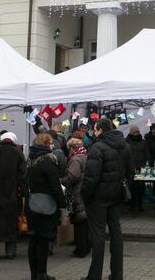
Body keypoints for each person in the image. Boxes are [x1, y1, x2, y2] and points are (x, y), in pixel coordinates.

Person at [81, 118, 131, 280]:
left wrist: (85, 196)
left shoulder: (97, 148)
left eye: (95, 130)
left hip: (99, 199)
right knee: (116, 234)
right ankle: (117, 274)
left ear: (101, 130)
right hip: (116, 196)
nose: (94, 133)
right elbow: (131, 173)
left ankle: (94, 276)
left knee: (98, 238)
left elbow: (91, 178)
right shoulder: (125, 146)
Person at [25, 133, 67, 280]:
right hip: (47, 206)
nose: (52, 145)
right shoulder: (48, 161)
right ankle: (41, 274)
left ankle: (34, 274)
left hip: (32, 205)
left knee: (34, 240)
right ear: (46, 144)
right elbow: (55, 187)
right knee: (43, 241)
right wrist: (63, 204)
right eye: (51, 143)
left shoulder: (30, 161)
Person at [0, 131, 26, 260]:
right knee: (10, 224)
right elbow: (22, 174)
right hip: (11, 193)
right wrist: (23, 192)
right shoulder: (18, 152)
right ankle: (10, 252)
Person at [62, 137, 89, 258]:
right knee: (85, 222)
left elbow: (73, 176)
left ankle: (80, 250)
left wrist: (61, 181)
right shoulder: (85, 156)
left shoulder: (75, 159)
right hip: (85, 191)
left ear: (72, 148)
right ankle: (87, 247)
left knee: (79, 223)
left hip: (77, 193)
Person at [125, 126, 147, 213]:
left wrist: (144, 164)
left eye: (138, 131)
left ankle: (140, 205)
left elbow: (146, 153)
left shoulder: (143, 142)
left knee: (140, 187)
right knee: (131, 187)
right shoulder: (126, 142)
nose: (137, 133)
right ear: (131, 132)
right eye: (135, 132)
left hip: (140, 167)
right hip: (130, 168)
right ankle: (132, 206)